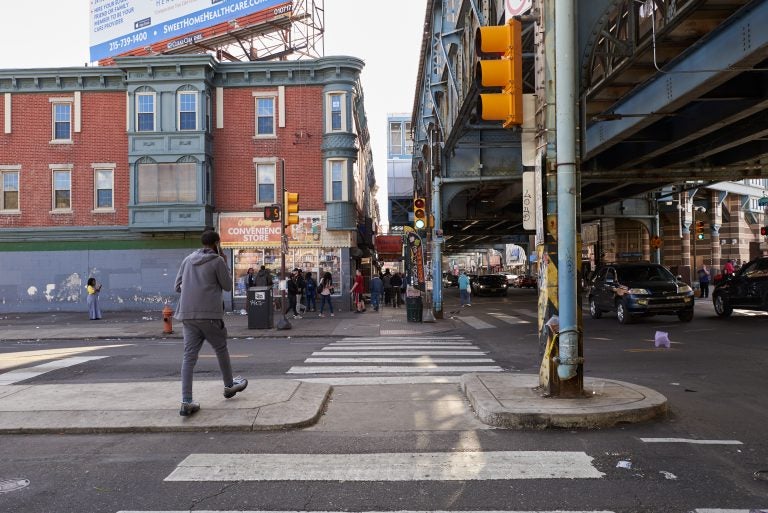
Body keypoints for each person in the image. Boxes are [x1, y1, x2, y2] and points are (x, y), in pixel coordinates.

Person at [174, 230, 247, 417]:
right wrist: (224, 261)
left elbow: (177, 286)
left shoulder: (188, 259)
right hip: (210, 315)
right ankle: (229, 385)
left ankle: (186, 400)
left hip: (187, 314)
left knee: (189, 356)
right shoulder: (218, 261)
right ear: (216, 243)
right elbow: (227, 286)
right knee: (221, 348)